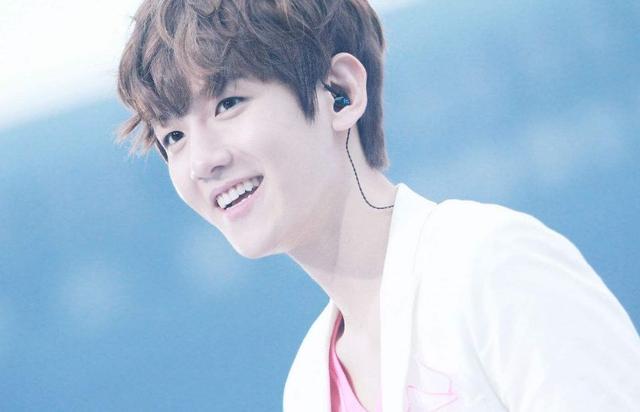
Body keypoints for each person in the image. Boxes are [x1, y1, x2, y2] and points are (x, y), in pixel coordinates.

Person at [115, 0, 640, 410]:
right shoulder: (308, 387)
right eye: (173, 137)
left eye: (228, 104)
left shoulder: (490, 265)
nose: (202, 161)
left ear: (340, 91)